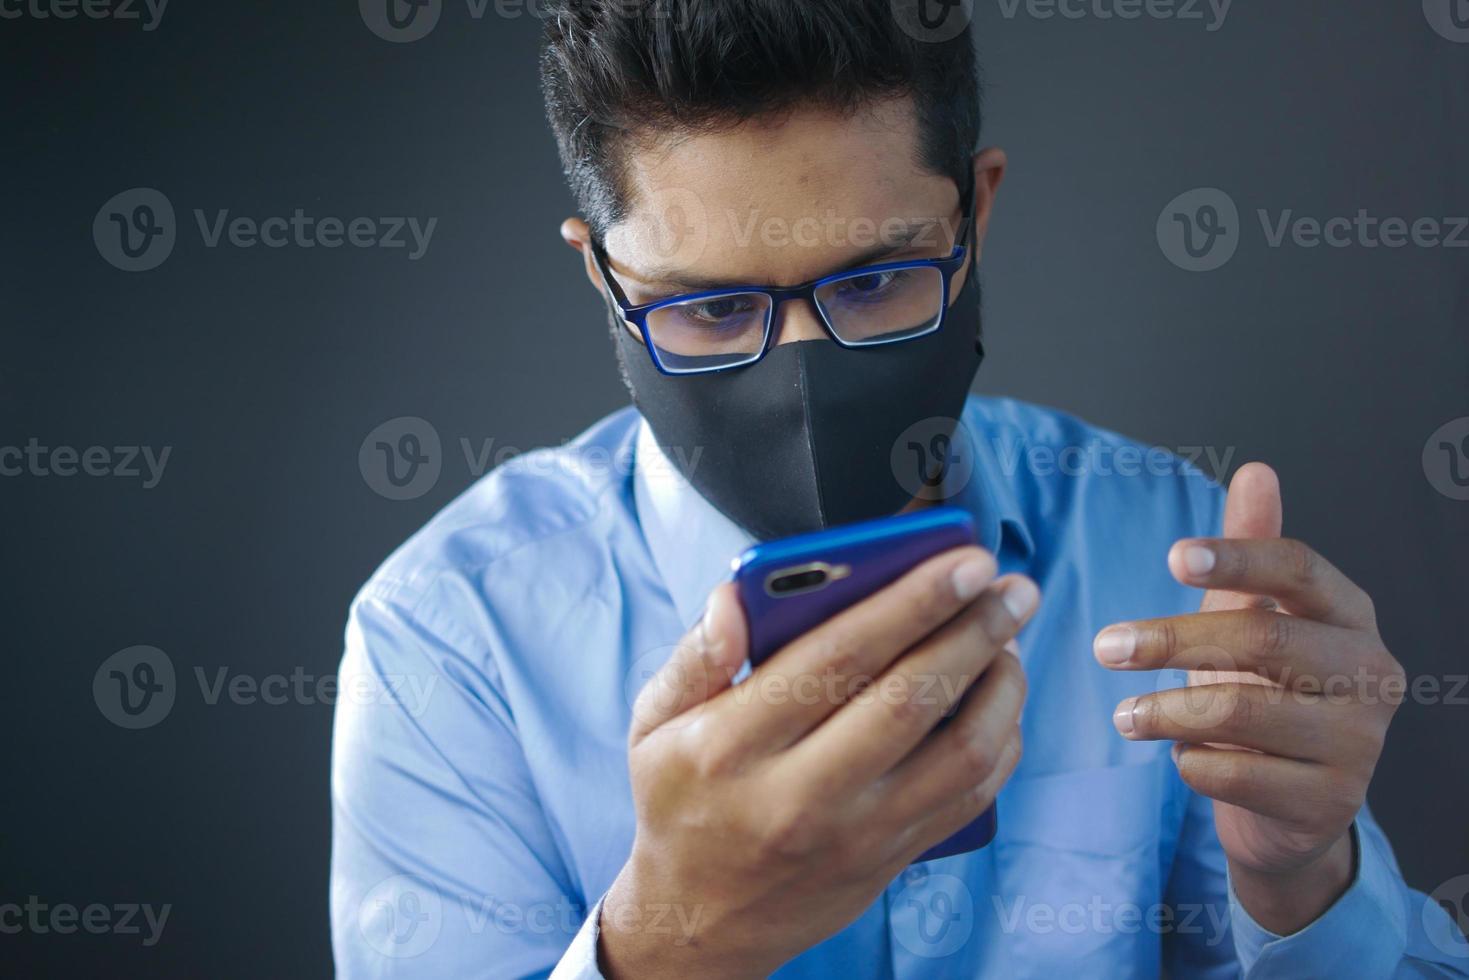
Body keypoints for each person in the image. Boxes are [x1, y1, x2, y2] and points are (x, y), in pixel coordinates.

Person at [329, 1, 1467, 976]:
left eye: (875, 280)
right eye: (712, 309)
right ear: (600, 271)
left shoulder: (1162, 544)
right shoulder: (449, 643)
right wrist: (674, 941)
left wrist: (1304, 878)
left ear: (976, 213)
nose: (800, 385)